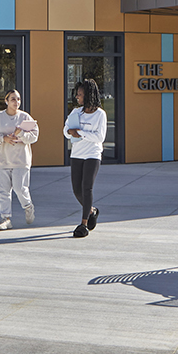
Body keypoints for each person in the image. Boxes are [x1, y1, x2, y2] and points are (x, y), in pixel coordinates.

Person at [0, 89, 38, 229]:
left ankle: (28, 207)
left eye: (18, 99)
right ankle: (5, 219)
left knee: (20, 188)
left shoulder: (25, 117)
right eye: (13, 99)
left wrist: (21, 134)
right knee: (3, 191)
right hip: (2, 160)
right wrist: (3, 139)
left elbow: (34, 136)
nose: (17, 102)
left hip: (20, 159)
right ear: (6, 101)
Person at [63, 78, 107, 238]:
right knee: (76, 190)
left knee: (86, 188)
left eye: (80, 95)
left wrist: (80, 133)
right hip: (77, 154)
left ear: (88, 95)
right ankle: (92, 211)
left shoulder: (100, 115)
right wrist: (69, 132)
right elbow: (65, 128)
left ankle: (83, 224)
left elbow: (99, 137)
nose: (77, 97)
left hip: (92, 155)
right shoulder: (76, 112)